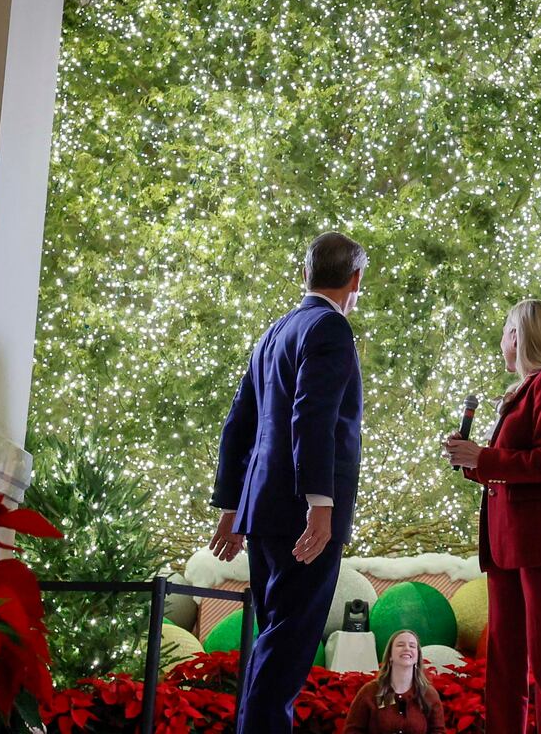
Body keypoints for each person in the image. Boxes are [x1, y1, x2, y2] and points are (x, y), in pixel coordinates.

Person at [210, 231, 368, 734]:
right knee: (290, 643)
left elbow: (240, 423)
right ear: (356, 280)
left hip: (263, 511)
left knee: (275, 637)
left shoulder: (274, 332)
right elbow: (312, 417)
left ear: (306, 274)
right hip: (304, 516)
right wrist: (320, 504)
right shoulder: (331, 329)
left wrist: (233, 506)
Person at [441, 300, 541, 734]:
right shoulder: (524, 390)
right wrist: (471, 461)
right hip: (509, 543)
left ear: (524, 336)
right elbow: (509, 468)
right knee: (504, 663)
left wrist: (485, 457)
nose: (503, 339)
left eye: (508, 329)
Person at [344, 630, 447, 734]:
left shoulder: (428, 694)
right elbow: (352, 730)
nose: (406, 648)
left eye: (412, 646)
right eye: (400, 645)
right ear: (390, 655)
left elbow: (438, 731)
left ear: (417, 657)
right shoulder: (369, 692)